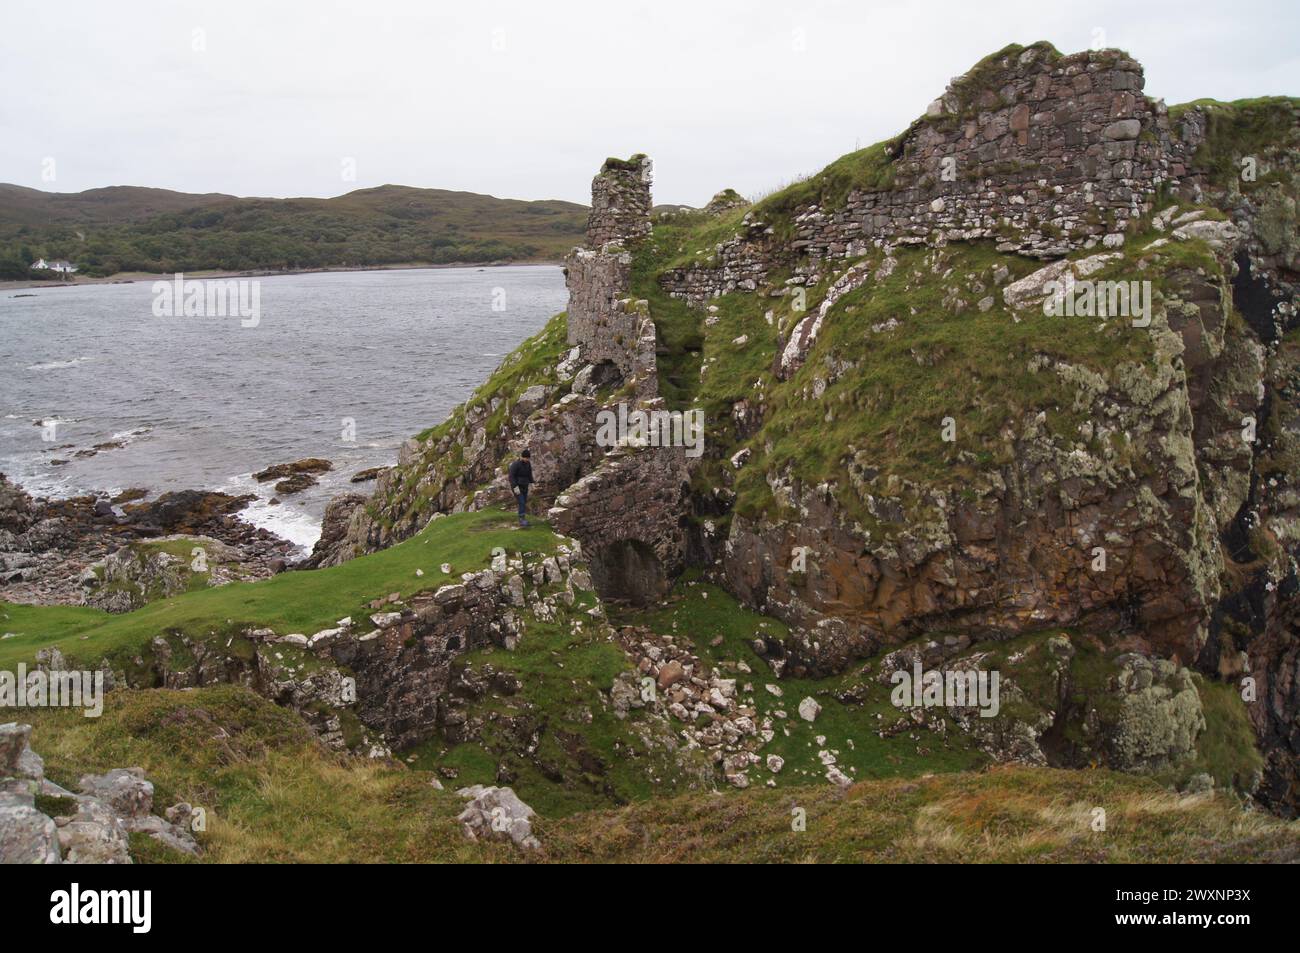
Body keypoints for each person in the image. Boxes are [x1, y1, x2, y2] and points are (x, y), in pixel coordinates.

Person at [507, 449, 534, 527]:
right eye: (526, 458)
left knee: (523, 502)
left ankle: (522, 518)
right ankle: (521, 520)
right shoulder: (515, 465)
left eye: (528, 458)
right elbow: (511, 477)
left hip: (525, 486)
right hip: (516, 487)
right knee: (521, 501)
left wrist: (532, 483)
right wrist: (515, 487)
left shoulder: (528, 464)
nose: (527, 460)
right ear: (522, 457)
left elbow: (529, 474)